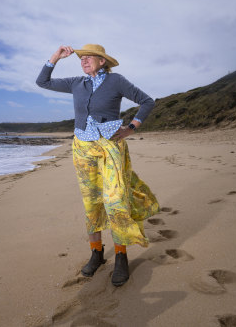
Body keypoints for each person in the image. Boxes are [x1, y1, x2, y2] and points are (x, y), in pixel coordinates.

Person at [36, 44, 160, 286]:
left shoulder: (117, 81)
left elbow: (147, 101)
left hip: (111, 146)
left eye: (89, 57)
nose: (84, 60)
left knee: (115, 201)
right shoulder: (76, 83)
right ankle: (97, 253)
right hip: (82, 148)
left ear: (103, 61)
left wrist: (131, 128)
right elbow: (43, 82)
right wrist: (55, 57)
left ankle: (121, 256)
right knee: (91, 202)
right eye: (81, 58)